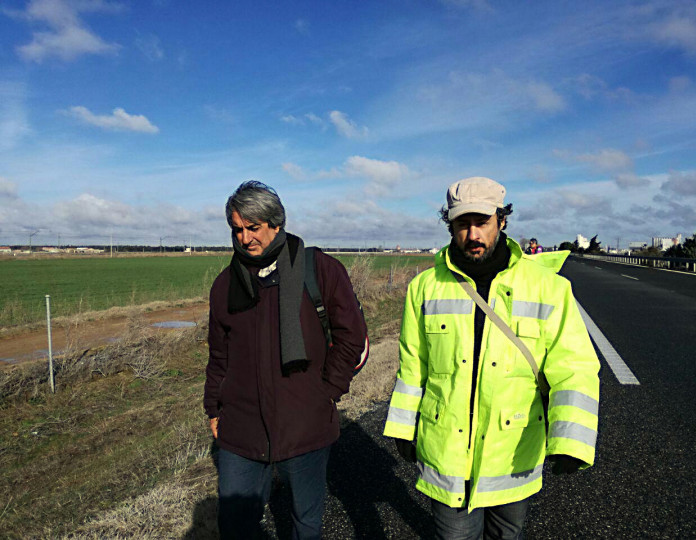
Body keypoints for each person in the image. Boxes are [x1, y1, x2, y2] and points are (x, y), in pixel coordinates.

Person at [383, 177, 599, 539]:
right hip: (446, 450)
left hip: (513, 452)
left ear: (501, 220)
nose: (472, 235)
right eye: (462, 224)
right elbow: (413, 366)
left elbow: (574, 368)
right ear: (449, 225)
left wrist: (571, 440)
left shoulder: (549, 288)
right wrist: (404, 428)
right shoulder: (423, 288)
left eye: (481, 222)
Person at [204, 180, 367, 540]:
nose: (245, 238)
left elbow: (351, 336)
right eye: (237, 229)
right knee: (235, 526)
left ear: (276, 224)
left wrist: (326, 391)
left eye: (253, 228)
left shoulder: (319, 269)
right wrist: (214, 408)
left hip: (304, 423)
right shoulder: (224, 285)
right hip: (241, 428)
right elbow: (219, 354)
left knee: (304, 523)